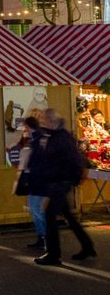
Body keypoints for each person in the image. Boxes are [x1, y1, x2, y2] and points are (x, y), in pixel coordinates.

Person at [34, 109, 96, 266]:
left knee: (50, 216)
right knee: (68, 216)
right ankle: (87, 246)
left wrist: (70, 178)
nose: (41, 122)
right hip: (60, 181)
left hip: (60, 182)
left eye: (44, 120)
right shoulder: (56, 136)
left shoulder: (60, 137)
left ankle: (54, 254)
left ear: (52, 121)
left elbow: (71, 159)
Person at [12, 117, 46, 250]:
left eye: (25, 127)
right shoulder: (33, 140)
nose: (24, 130)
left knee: (36, 209)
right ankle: (42, 237)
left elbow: (31, 161)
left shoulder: (37, 141)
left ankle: (45, 237)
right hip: (33, 179)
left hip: (36, 179)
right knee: (35, 209)